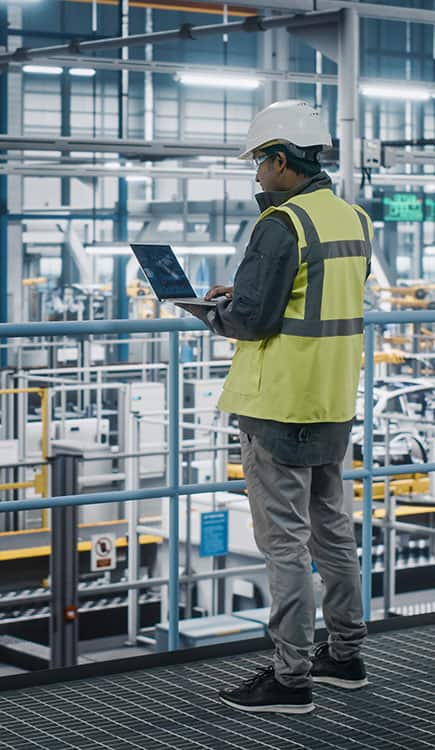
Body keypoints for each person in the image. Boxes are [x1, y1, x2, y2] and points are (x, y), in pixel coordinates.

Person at [178, 99, 371, 715]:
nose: (257, 174)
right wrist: (252, 288)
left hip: (280, 402)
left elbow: (254, 320)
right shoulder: (352, 219)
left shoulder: (280, 224)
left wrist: (213, 311)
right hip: (334, 397)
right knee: (333, 531)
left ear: (283, 160)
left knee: (284, 543)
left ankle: (290, 680)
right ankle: (345, 656)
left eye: (259, 162)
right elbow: (318, 292)